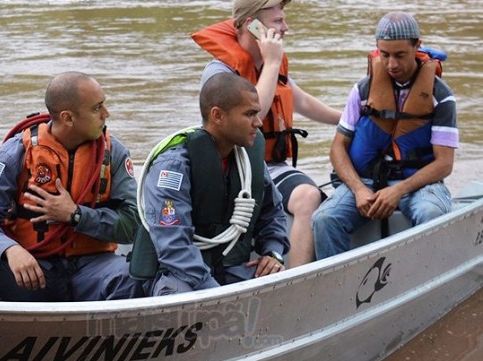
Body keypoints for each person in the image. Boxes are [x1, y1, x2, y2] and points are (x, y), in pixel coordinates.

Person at [0, 72, 143, 301]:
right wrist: (9, 249)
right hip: (35, 271)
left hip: (93, 268)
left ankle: (100, 336)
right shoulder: (16, 153)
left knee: (135, 277)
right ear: (68, 118)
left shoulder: (115, 154)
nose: (106, 114)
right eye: (96, 108)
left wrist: (76, 215)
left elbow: (133, 225)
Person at [191, 0, 341, 268]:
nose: (286, 28)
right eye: (278, 22)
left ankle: (295, 280)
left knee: (308, 196)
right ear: (253, 25)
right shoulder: (219, 74)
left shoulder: (272, 66)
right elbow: (254, 117)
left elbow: (302, 101)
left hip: (271, 167)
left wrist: (349, 120)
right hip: (231, 169)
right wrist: (271, 63)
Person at [311, 12, 458, 260]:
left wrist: (398, 190)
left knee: (432, 214)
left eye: (400, 55)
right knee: (324, 219)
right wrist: (358, 189)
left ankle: (420, 280)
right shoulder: (362, 90)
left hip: (419, 185)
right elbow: (338, 148)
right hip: (366, 182)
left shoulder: (440, 96)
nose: (391, 64)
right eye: (385, 54)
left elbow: (444, 163)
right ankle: (337, 288)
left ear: (417, 46)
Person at [130, 73, 289, 296]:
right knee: (180, 295)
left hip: (231, 269)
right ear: (218, 116)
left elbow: (273, 213)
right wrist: (215, 292)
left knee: (280, 284)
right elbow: (174, 246)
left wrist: (273, 253)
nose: (259, 122)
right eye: (249, 114)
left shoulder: (248, 161)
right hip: (182, 276)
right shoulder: (173, 167)